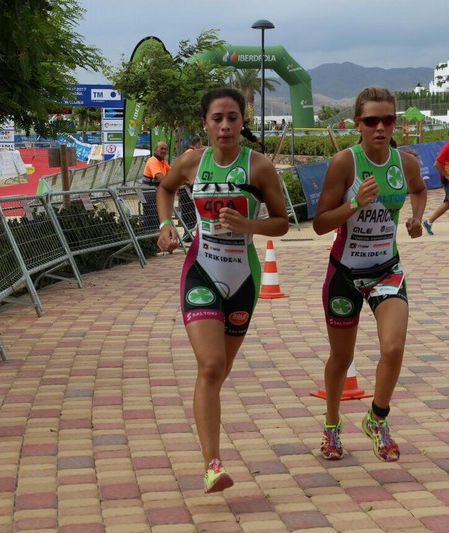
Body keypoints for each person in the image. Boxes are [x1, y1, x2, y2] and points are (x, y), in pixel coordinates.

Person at [155, 87, 289, 493]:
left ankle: (207, 431)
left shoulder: (260, 167)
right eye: (218, 118)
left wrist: (249, 226)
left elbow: (283, 221)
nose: (226, 125)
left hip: (243, 280)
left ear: (243, 122)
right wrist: (166, 226)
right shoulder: (192, 162)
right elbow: (164, 189)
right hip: (201, 271)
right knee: (211, 366)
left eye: (233, 117)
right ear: (205, 124)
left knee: (220, 371)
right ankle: (212, 464)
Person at [312, 86, 426, 463]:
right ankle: (331, 427)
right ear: (357, 123)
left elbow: (420, 190)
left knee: (393, 348)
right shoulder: (345, 163)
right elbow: (319, 223)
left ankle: (377, 419)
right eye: (372, 120)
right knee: (340, 360)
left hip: (386, 271)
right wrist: (354, 204)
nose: (381, 127)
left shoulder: (405, 162)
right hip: (344, 273)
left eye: (388, 119)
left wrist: (416, 218)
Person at [141, 142, 171, 230]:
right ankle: (151, 237)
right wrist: (172, 187)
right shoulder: (153, 160)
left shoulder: (163, 162)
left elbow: (172, 173)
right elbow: (159, 177)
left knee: (156, 216)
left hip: (154, 193)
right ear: (155, 149)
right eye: (161, 148)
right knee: (152, 216)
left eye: (165, 149)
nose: (163, 151)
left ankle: (153, 237)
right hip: (148, 193)